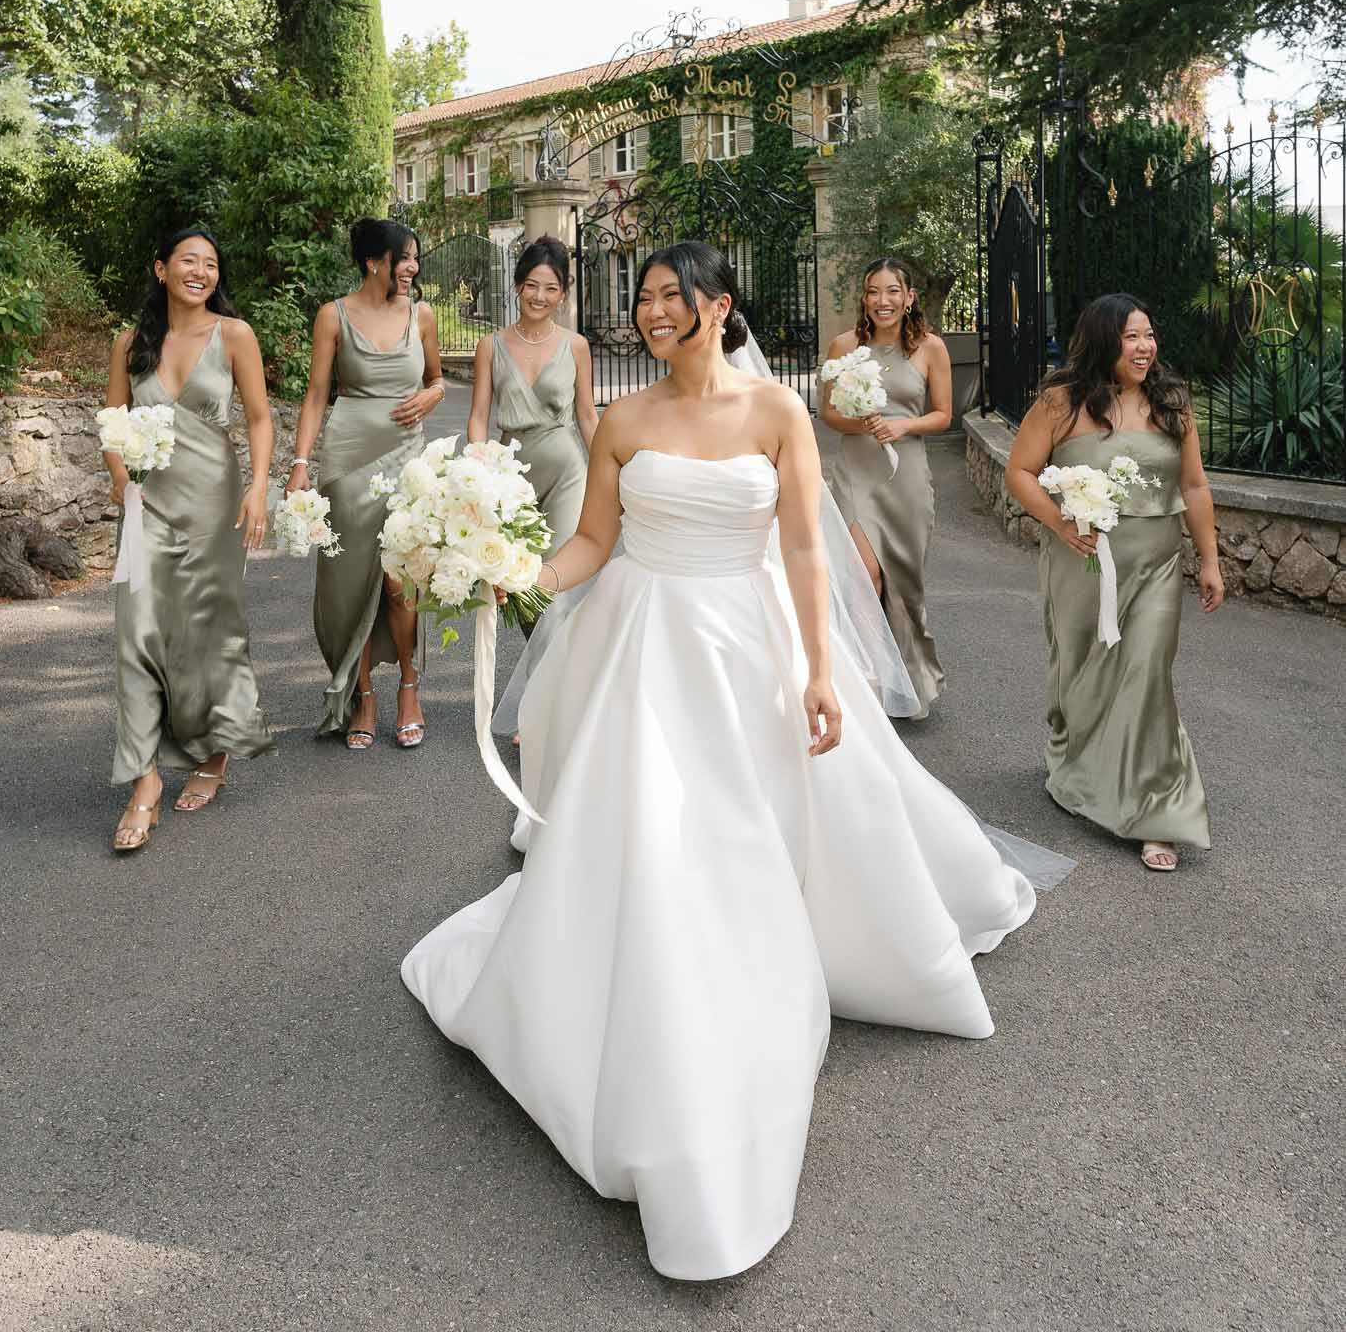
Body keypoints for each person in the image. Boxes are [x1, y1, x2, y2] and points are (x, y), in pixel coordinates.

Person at [403, 241, 1064, 1282]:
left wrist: (818, 668)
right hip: (647, 639)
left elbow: (806, 546)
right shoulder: (623, 421)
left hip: (746, 639)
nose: (654, 311)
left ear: (718, 305)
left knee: (770, 817)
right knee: (659, 831)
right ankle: (667, 1011)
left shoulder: (777, 414)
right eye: (645, 299)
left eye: (673, 295)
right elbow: (591, 544)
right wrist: (511, 570)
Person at [1005, 293, 1221, 872]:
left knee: (1148, 672)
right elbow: (1019, 471)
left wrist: (1209, 559)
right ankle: (1081, 763)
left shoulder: (1172, 403)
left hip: (1155, 565)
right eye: (1131, 337)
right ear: (1105, 341)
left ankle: (1158, 811)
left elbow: (1195, 487)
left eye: (1149, 335)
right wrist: (1057, 521)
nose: (1145, 347)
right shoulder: (1062, 402)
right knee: (1086, 672)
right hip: (1084, 564)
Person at [103, 227, 275, 852]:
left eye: (210, 263)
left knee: (207, 627)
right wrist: (126, 483)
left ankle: (213, 753)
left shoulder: (234, 335)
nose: (200, 271)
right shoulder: (130, 343)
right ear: (160, 269)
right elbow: (115, 427)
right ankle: (143, 779)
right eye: (187, 261)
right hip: (147, 504)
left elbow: (259, 416)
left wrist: (259, 488)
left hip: (213, 501)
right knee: (137, 628)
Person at [288, 219, 445, 750]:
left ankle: (407, 687)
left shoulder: (421, 315)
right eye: (405, 258)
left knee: (401, 584)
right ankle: (363, 697)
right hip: (348, 459)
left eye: (415, 259)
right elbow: (316, 395)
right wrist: (301, 463)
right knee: (348, 586)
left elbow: (437, 379)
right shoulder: (333, 316)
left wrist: (434, 396)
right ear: (374, 261)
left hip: (408, 459)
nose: (412, 268)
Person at [471, 236, 597, 738]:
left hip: (568, 468)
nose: (540, 296)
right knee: (521, 587)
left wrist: (612, 470)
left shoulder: (576, 346)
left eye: (551, 288)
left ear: (563, 294)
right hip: (510, 473)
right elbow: (479, 415)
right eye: (531, 286)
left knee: (557, 585)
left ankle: (548, 706)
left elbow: (587, 414)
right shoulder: (491, 345)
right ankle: (548, 687)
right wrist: (477, 474)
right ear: (518, 287)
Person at [823, 256, 953, 717]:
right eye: (874, 291)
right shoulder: (843, 346)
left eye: (892, 291)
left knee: (905, 583)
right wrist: (860, 424)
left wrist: (902, 426)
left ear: (909, 297)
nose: (883, 301)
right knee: (863, 576)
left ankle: (914, 676)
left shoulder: (930, 348)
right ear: (864, 298)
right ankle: (869, 682)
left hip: (907, 476)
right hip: (856, 472)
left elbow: (943, 414)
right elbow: (828, 414)